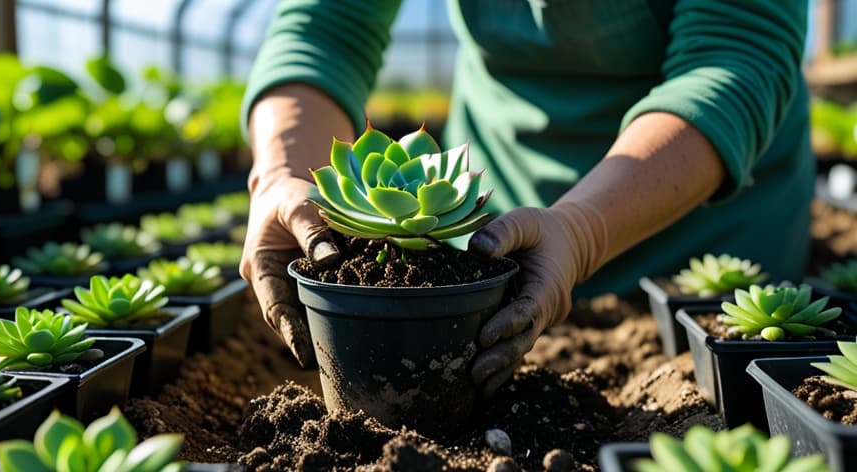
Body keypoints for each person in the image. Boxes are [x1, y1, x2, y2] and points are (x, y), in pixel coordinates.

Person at [239, 0, 811, 396]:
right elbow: (324, 28)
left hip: (698, 234)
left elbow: (736, 50)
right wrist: (279, 173)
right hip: (498, 228)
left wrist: (583, 230)